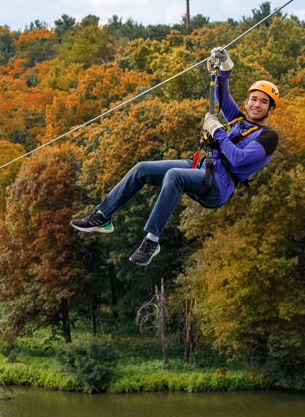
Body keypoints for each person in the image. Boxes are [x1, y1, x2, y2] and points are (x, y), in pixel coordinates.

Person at [70, 46, 280, 265]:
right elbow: (222, 96)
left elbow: (239, 159)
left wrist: (217, 130)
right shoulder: (237, 119)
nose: (257, 104)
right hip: (200, 165)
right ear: (246, 102)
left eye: (264, 102)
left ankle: (152, 240)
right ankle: (103, 216)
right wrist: (225, 68)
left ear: (271, 110)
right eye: (253, 99)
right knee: (142, 168)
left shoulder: (268, 136)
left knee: (174, 175)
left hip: (219, 183)